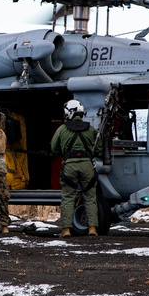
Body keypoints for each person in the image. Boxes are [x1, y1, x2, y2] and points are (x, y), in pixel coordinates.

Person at [50, 99, 99, 238]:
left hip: (69, 166)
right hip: (87, 165)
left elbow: (54, 148)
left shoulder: (62, 129)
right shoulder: (91, 129)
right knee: (90, 197)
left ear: (69, 113)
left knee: (68, 197)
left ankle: (66, 230)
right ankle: (92, 229)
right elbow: (99, 148)